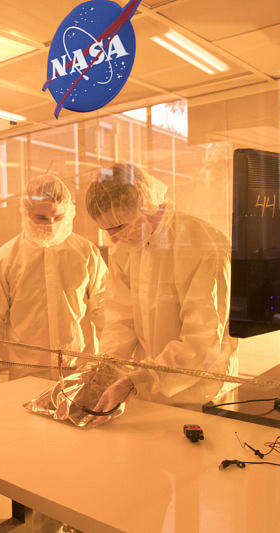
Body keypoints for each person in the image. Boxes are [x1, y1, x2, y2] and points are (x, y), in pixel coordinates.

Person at [85, 163, 238, 418]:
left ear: (145, 206)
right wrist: (107, 370)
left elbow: (200, 343)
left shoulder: (202, 246)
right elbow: (120, 321)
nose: (112, 238)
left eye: (118, 227)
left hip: (200, 393)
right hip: (148, 388)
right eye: (106, 230)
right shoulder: (127, 248)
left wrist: (138, 380)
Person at [0, 174, 107, 384]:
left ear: (69, 212)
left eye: (58, 218)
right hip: (26, 374)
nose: (51, 225)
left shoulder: (85, 253)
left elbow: (104, 310)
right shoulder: (6, 258)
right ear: (26, 214)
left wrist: (114, 363)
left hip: (79, 371)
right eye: (42, 218)